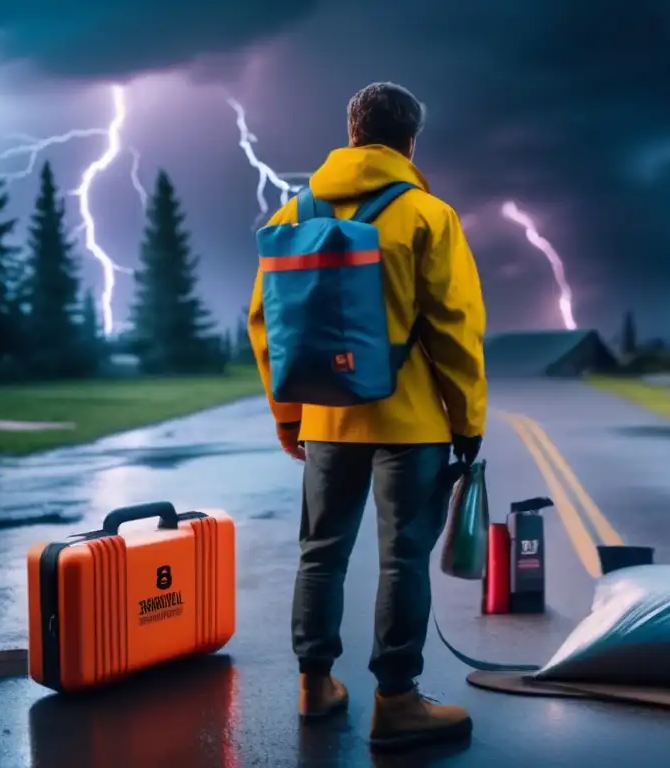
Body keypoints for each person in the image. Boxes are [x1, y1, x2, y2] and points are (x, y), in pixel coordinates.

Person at [247, 82, 487, 751]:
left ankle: (314, 688)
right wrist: (467, 420)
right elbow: (455, 329)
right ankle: (398, 703)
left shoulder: (296, 210)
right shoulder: (426, 215)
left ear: (352, 132)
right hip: (411, 426)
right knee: (402, 560)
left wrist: (288, 413)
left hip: (325, 419)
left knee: (320, 556)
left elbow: (266, 320)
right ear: (410, 141)